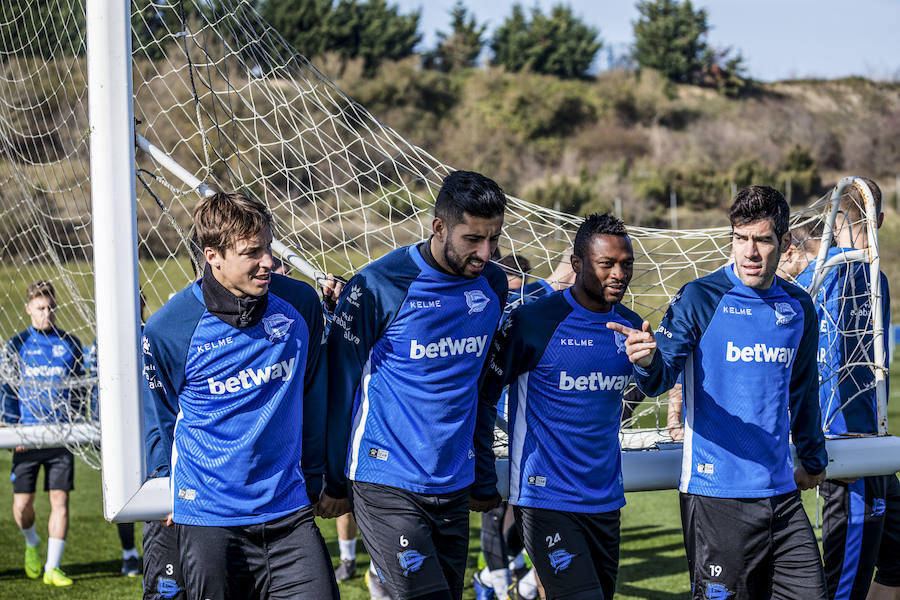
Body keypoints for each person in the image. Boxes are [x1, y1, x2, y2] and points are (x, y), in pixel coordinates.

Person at [610, 185, 829, 599]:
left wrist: (813, 458)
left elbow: (803, 391)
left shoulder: (799, 307)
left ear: (782, 243)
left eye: (762, 240)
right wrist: (645, 362)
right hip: (716, 499)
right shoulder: (700, 297)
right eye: (740, 239)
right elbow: (659, 380)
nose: (750, 252)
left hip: (781, 496)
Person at [321, 170, 508, 600]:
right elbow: (339, 386)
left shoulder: (493, 284)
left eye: (494, 239)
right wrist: (333, 480)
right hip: (386, 479)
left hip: (452, 483)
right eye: (473, 239)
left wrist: (480, 475)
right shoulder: (378, 285)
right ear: (439, 227)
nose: (485, 252)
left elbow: (481, 390)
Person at [141, 191, 338, 599]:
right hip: (209, 519)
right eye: (252, 252)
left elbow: (317, 392)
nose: (267, 261)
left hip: (289, 513)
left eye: (267, 247)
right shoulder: (169, 329)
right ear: (212, 256)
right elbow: (157, 415)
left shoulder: (299, 304)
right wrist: (163, 481)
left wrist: (317, 472)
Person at [478, 213, 643, 599]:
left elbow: (659, 381)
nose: (619, 274)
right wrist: (484, 471)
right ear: (577, 265)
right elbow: (484, 395)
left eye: (626, 264)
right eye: (607, 264)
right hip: (544, 496)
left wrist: (651, 364)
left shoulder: (632, 324)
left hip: (605, 499)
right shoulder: (533, 322)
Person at [793, 179, 898, 600]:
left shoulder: (870, 278)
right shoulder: (832, 277)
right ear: (880, 221)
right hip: (851, 444)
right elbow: (828, 364)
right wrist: (835, 441)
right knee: (844, 583)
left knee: (894, 561)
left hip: (873, 441)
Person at [2, 280, 84, 587]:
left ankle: (53, 567)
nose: (46, 314)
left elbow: (80, 389)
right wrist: (14, 430)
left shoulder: (70, 343)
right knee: (22, 506)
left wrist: (79, 425)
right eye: (40, 308)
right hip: (26, 440)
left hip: (60, 438)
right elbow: (7, 390)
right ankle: (32, 542)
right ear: (28, 309)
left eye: (51, 308)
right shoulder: (16, 344)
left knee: (60, 502)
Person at [83, 338, 141, 577]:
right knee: (123, 493)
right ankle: (129, 554)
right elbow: (94, 386)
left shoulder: (152, 332)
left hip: (149, 424)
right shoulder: (101, 344)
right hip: (117, 431)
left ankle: (163, 552)